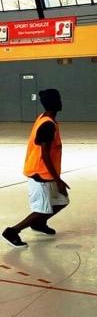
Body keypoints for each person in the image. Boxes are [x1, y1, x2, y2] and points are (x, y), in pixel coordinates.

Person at [2, 89, 70, 248]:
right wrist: (58, 180)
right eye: (59, 99)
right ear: (55, 103)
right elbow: (45, 155)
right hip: (40, 175)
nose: (61, 101)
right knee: (43, 209)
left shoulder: (46, 119)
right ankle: (12, 232)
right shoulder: (47, 124)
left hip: (47, 175)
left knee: (62, 200)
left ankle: (39, 223)